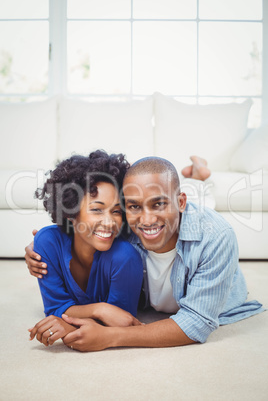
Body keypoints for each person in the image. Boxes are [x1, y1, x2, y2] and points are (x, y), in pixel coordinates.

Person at [27, 156, 264, 351]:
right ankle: (197, 177)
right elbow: (84, 220)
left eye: (158, 204)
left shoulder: (217, 236)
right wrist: (36, 247)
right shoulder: (122, 224)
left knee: (204, 206)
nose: (147, 219)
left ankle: (201, 176)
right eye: (133, 206)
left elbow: (196, 323)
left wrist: (112, 337)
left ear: (181, 202)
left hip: (218, 277)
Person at [27, 150, 144, 347]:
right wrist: (100, 309)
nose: (109, 222)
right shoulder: (47, 242)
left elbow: (121, 323)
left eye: (116, 211)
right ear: (70, 212)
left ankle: (198, 173)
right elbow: (55, 307)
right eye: (97, 209)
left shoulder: (125, 257)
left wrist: (70, 326)